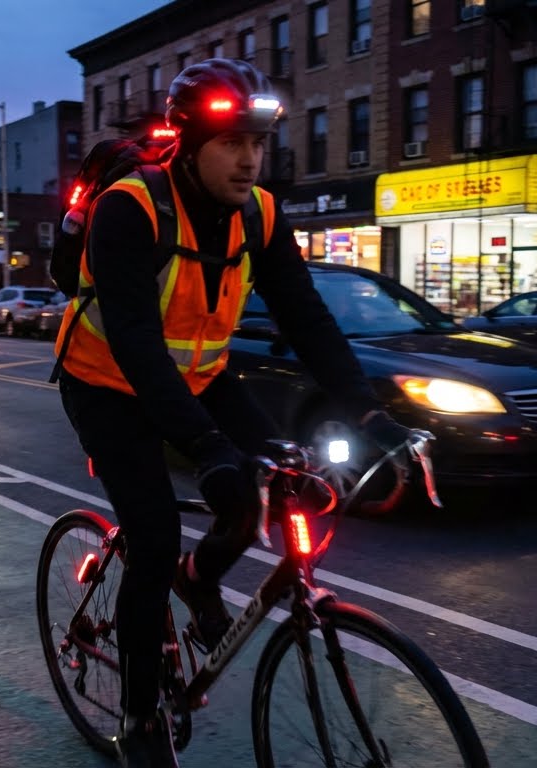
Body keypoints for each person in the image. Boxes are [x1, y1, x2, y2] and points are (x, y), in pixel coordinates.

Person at [53, 58, 413, 768]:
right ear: (187, 144)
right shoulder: (131, 207)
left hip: (201, 377)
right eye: (230, 143)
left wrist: (373, 418)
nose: (249, 159)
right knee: (154, 536)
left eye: (258, 142)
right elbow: (134, 343)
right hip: (106, 382)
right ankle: (137, 716)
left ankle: (200, 579)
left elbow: (306, 319)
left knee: (261, 486)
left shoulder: (262, 213)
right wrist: (205, 442)